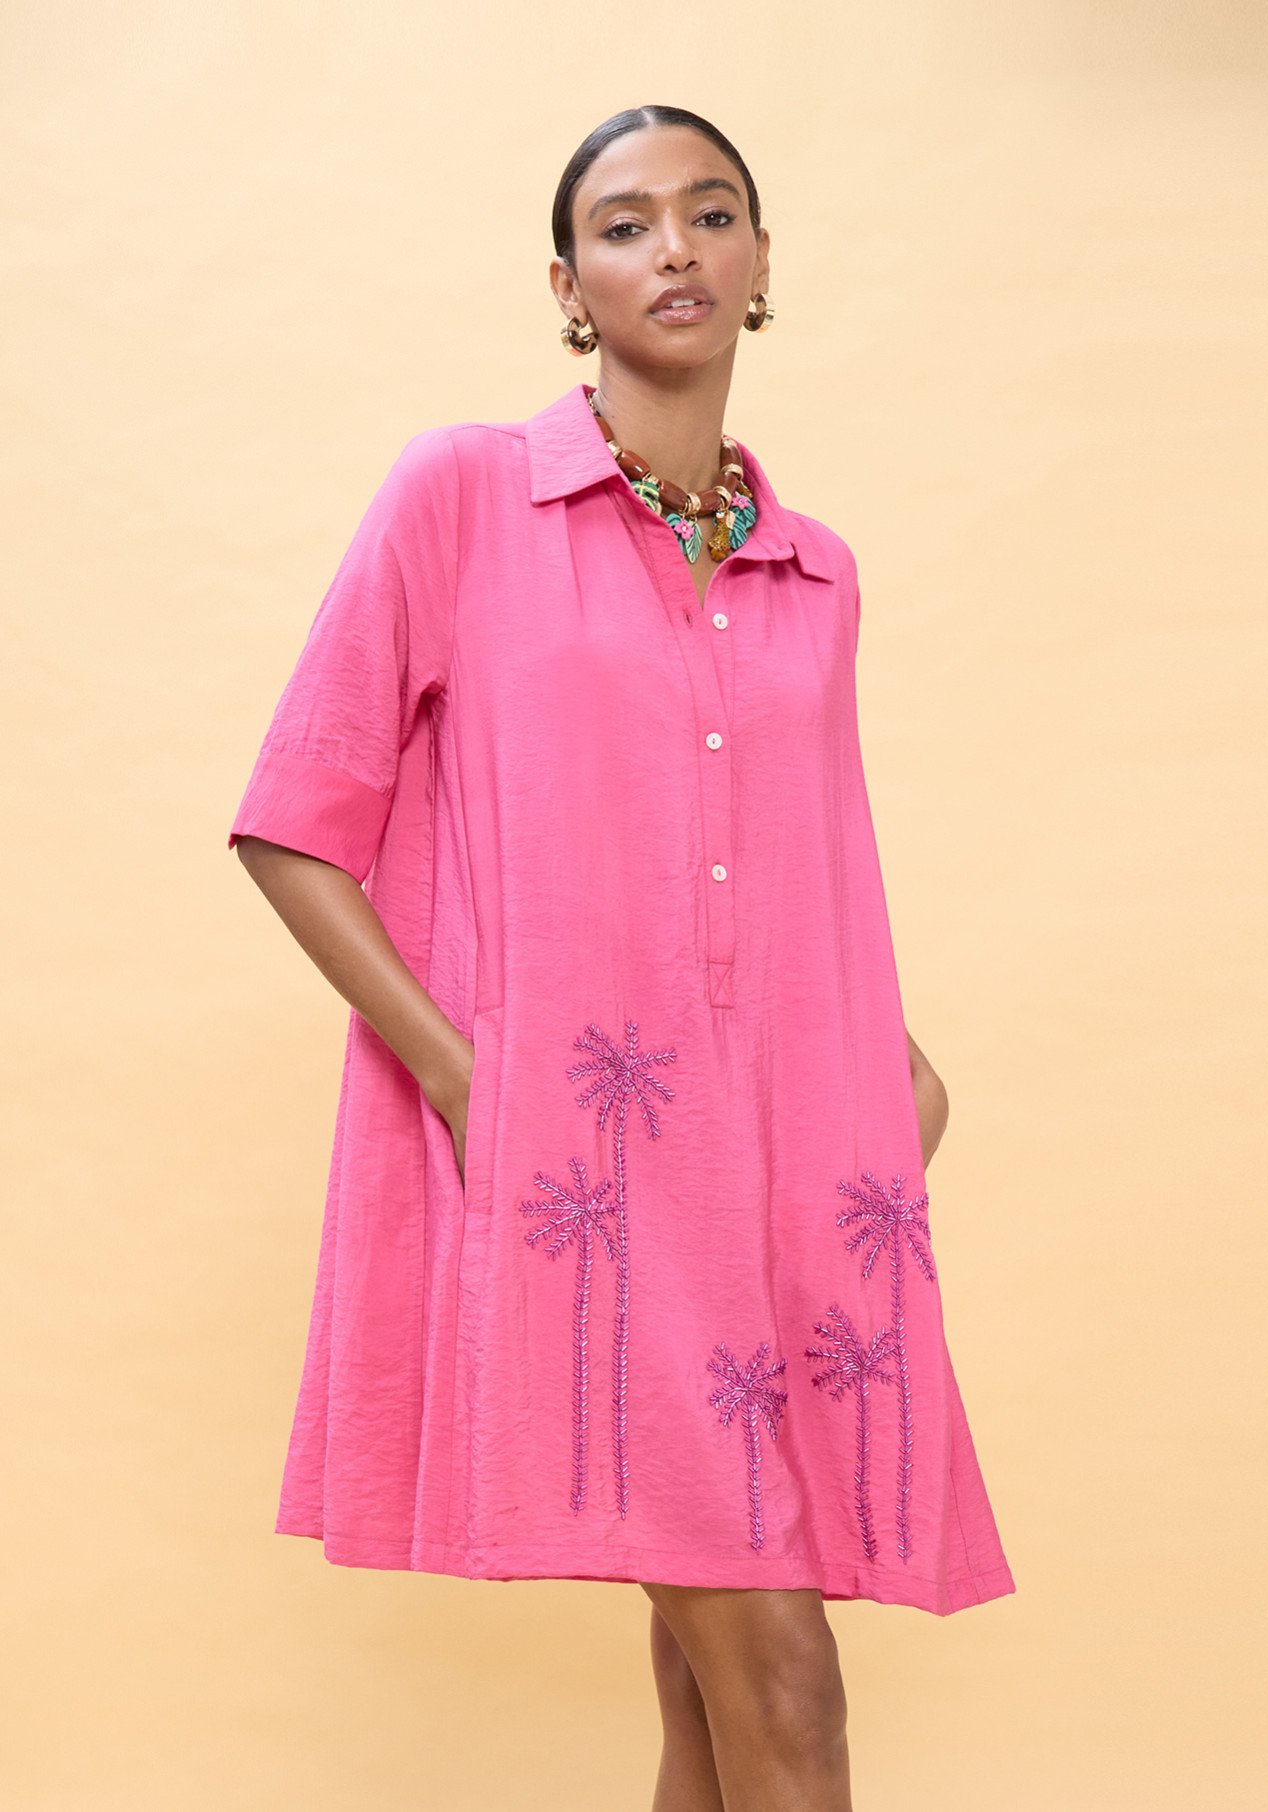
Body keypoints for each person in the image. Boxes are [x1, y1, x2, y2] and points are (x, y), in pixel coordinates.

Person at [230, 104, 1015, 1812]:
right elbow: (294, 821)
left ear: (760, 260)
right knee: (786, 1687)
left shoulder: (818, 573)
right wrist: (471, 1084)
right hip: (589, 1176)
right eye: (627, 223)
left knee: (707, 1702)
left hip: (778, 1180)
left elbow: (803, 874)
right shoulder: (464, 495)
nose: (675, 248)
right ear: (570, 286)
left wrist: (893, 1081)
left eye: (712, 214)